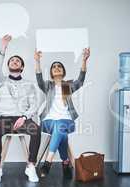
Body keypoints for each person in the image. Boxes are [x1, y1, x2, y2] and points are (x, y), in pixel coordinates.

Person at [0, 35, 41, 183]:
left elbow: (34, 104)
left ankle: (31, 165)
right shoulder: (0, 80)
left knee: (36, 130)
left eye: (17, 61)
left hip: (22, 118)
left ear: (22, 67)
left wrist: (24, 117)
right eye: (12, 60)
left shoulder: (29, 84)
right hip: (4, 118)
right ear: (8, 65)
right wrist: (3, 48)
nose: (14, 62)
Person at [34, 48, 90, 179]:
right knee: (62, 134)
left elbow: (81, 80)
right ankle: (65, 162)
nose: (57, 67)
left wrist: (84, 60)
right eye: (54, 66)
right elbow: (39, 79)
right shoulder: (48, 85)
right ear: (51, 72)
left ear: (63, 71)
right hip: (48, 122)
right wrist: (37, 61)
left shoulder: (68, 86)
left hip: (67, 122)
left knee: (60, 126)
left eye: (59, 66)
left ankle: (47, 163)